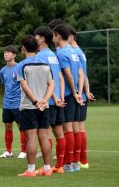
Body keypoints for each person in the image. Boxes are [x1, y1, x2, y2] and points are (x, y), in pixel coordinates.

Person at [15, 35, 54, 177]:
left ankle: (31, 170)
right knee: (44, 137)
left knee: (31, 138)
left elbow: (24, 86)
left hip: (29, 106)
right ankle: (47, 168)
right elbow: (51, 84)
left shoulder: (21, 65)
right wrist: (44, 100)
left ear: (23, 48)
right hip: (44, 106)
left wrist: (36, 101)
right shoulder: (45, 64)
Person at [52, 24, 85, 173]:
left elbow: (68, 75)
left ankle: (68, 164)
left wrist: (72, 91)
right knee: (74, 128)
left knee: (67, 129)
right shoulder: (73, 51)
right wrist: (78, 92)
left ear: (58, 36)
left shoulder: (60, 53)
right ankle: (75, 163)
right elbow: (80, 74)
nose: (53, 38)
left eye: (53, 35)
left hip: (66, 94)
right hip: (75, 94)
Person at [34, 26, 66, 174]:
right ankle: (59, 166)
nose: (34, 39)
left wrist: (52, 97)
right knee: (59, 133)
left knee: (44, 134)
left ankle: (47, 166)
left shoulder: (40, 56)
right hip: (58, 99)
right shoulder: (53, 55)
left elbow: (48, 80)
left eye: (36, 36)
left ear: (41, 39)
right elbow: (59, 77)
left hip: (49, 101)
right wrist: (60, 96)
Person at [67, 25, 95, 169]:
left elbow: (80, 74)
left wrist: (79, 92)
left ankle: (77, 160)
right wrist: (87, 90)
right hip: (81, 93)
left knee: (75, 128)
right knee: (80, 128)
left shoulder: (74, 52)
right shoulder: (80, 52)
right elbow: (84, 74)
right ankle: (82, 160)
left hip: (76, 94)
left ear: (70, 36)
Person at [0, 45, 27, 159]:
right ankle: (8, 151)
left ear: (14, 55)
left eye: (8, 53)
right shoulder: (3, 70)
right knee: (8, 127)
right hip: (7, 104)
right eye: (5, 53)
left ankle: (24, 151)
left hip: (18, 104)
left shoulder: (20, 67)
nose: (6, 54)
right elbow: (5, 85)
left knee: (22, 127)